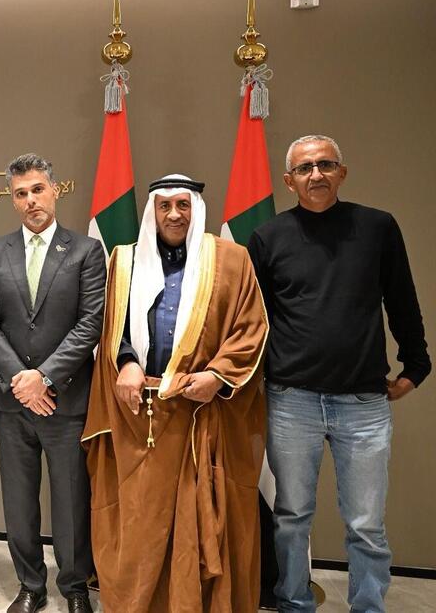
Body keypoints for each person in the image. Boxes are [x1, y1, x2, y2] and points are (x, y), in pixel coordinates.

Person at [248, 135, 430, 612]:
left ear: (342, 173)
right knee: (291, 517)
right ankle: (293, 602)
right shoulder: (268, 237)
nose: (316, 175)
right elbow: (254, 320)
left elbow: (402, 300)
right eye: (305, 169)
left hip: (363, 404)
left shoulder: (377, 228)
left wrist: (417, 365)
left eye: (326, 165)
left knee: (366, 523)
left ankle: (367, 607)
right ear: (289, 181)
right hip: (291, 400)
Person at [82, 175, 268, 612]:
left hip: (202, 413)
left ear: (196, 208)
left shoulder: (231, 260)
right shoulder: (123, 262)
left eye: (182, 205)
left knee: (201, 522)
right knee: (141, 520)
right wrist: (125, 362)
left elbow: (251, 328)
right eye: (164, 206)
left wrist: (218, 376)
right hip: (138, 413)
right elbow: (111, 326)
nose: (174, 214)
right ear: (152, 211)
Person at [0, 154, 105, 613]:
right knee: (19, 503)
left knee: (71, 502)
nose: (31, 200)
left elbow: (90, 324)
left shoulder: (87, 251)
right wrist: (21, 380)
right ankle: (30, 585)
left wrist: (44, 377)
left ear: (55, 190)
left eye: (38, 189)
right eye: (21, 193)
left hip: (65, 400)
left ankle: (73, 588)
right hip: (13, 404)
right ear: (13, 200)